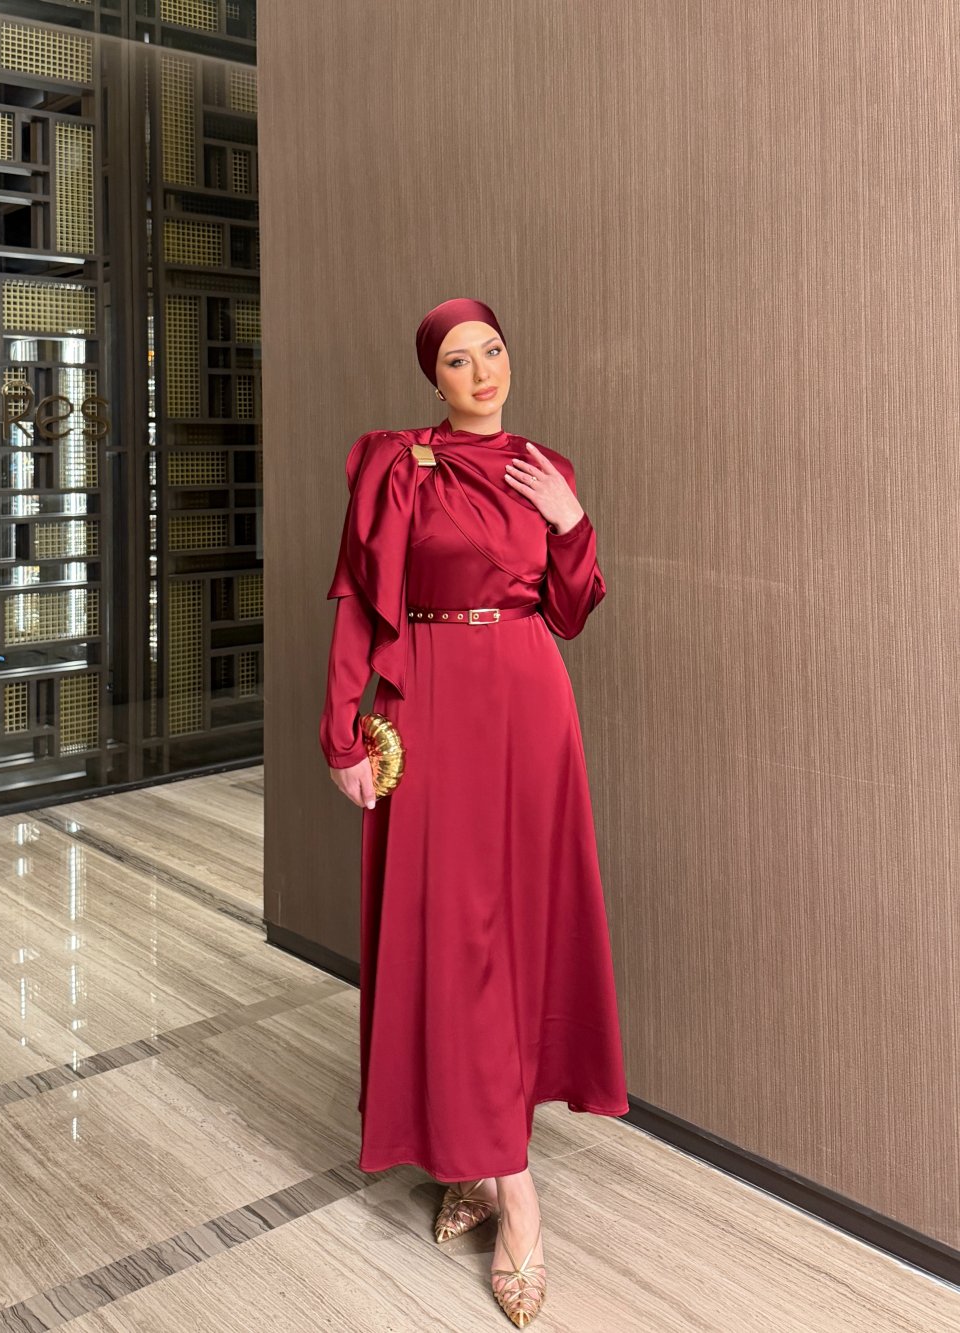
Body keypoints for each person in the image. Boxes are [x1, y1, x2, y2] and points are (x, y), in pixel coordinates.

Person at [319, 297, 628, 1327]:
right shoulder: (398, 465)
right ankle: (508, 1182)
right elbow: (360, 602)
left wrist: (571, 523)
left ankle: (484, 1162)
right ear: (434, 376)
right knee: (456, 939)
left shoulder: (547, 468)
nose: (482, 371)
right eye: (458, 359)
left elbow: (570, 612)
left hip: (531, 707)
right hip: (433, 704)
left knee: (522, 933)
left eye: (492, 350)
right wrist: (341, 733)